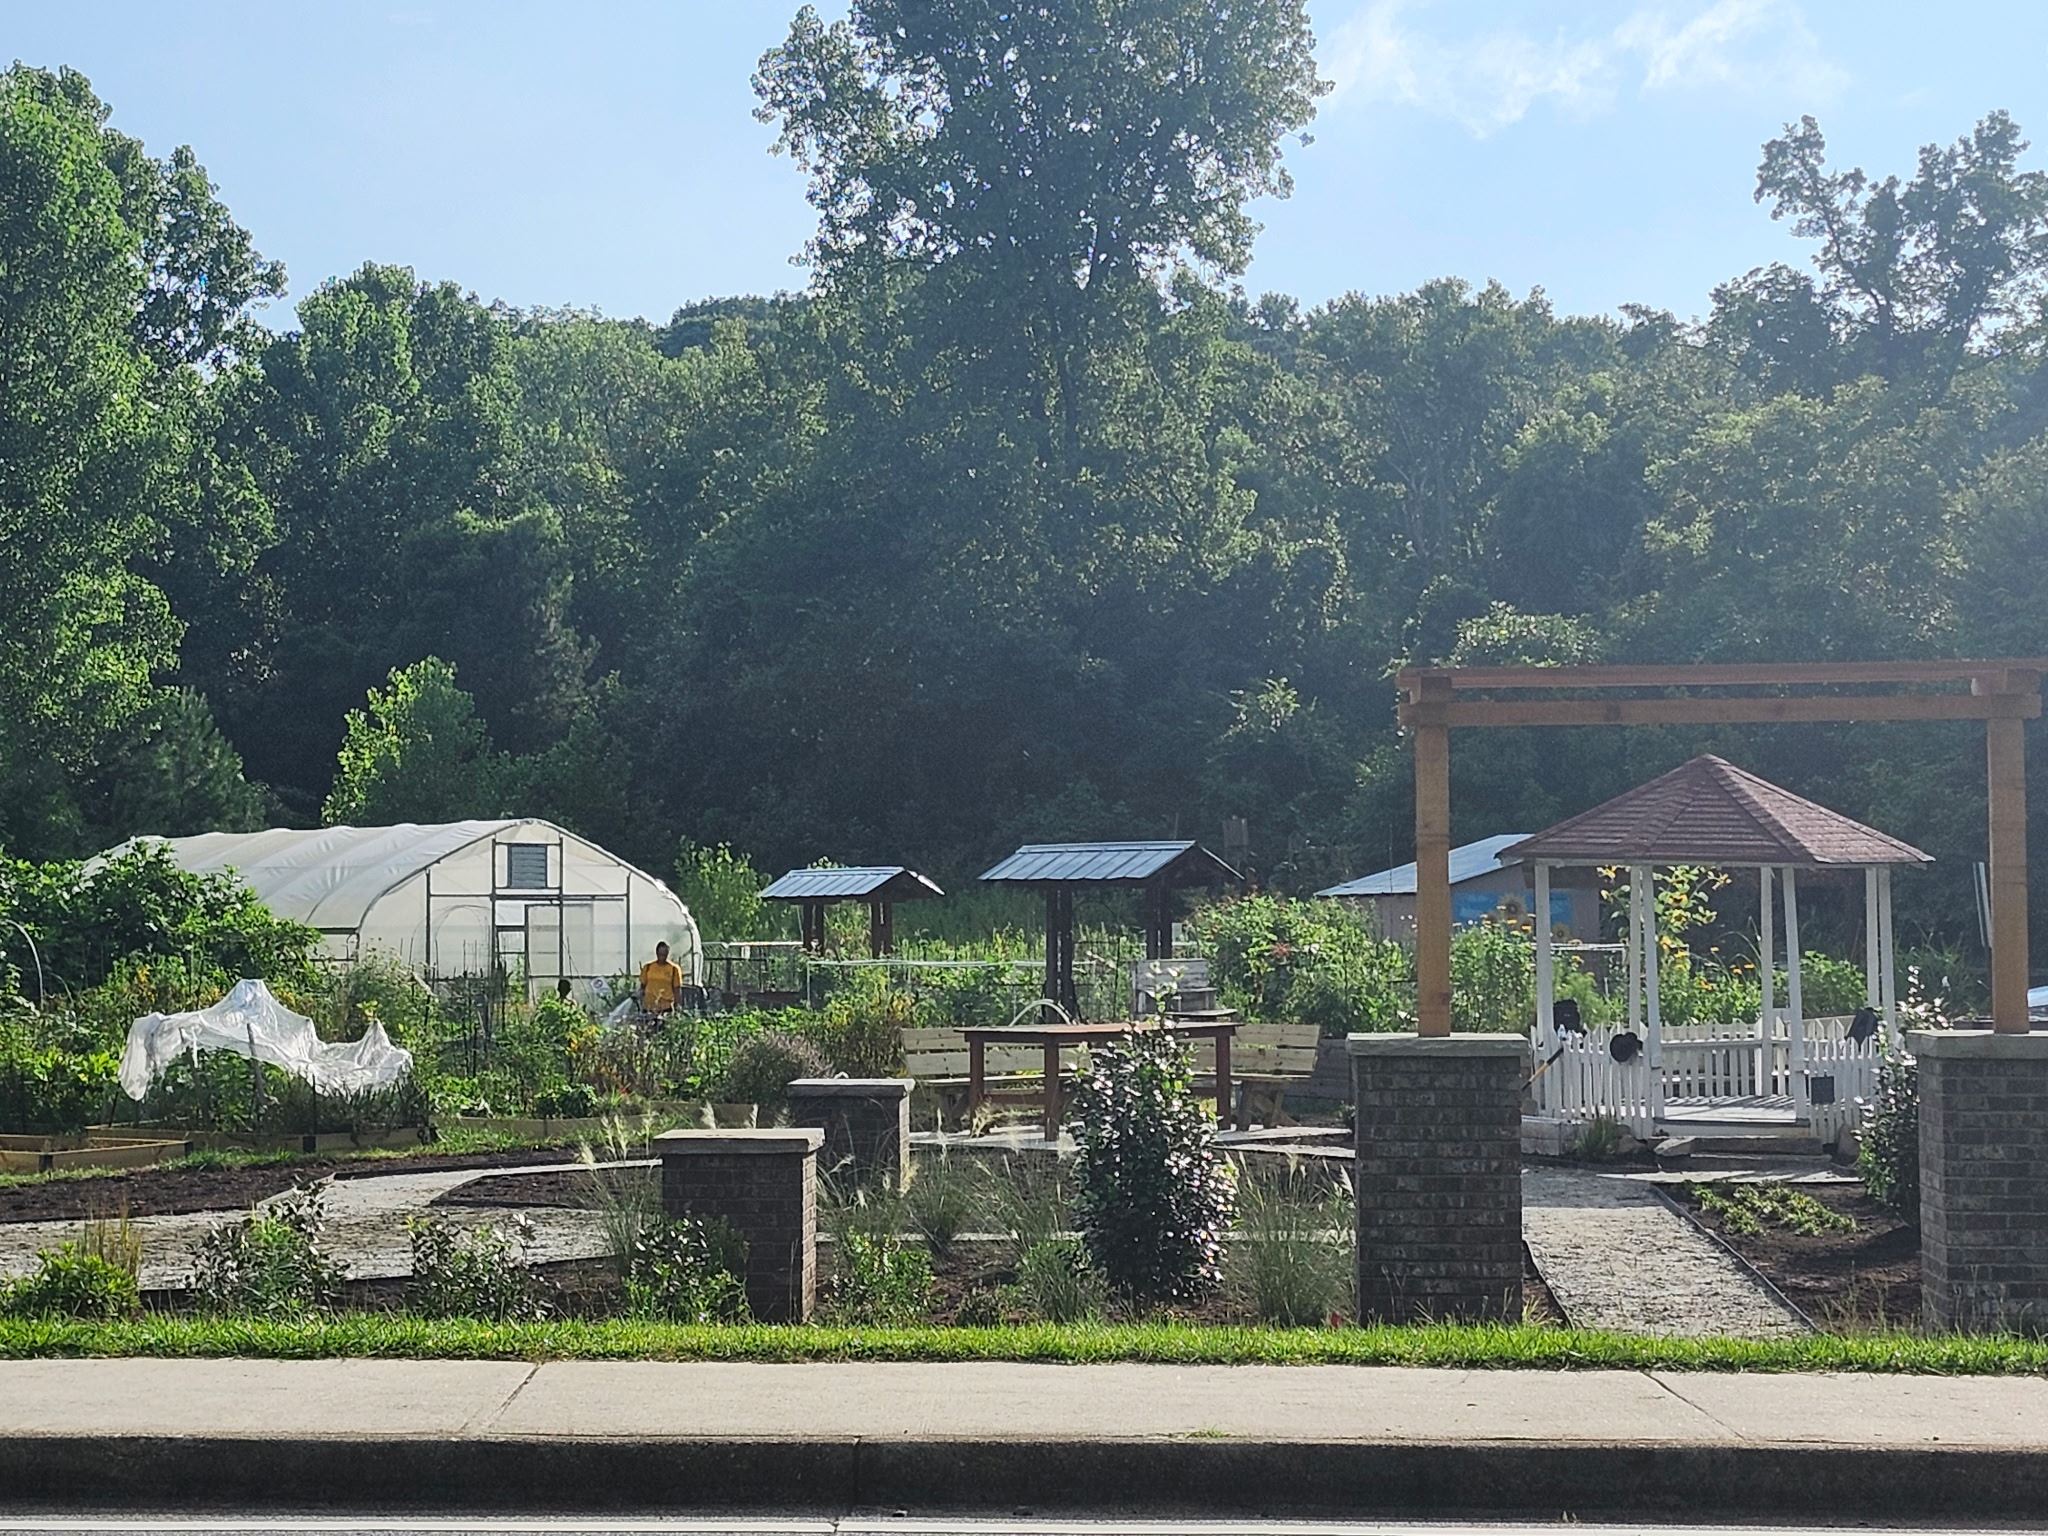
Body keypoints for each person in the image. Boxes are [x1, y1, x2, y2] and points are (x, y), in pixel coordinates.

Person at [638, 941, 685, 1015]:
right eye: (660, 954)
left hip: (666, 1007)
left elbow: (677, 989)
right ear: (656, 953)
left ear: (667, 954)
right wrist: (641, 1002)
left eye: (664, 954)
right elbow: (642, 986)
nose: (662, 957)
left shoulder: (673, 969)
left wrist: (677, 1006)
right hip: (649, 1006)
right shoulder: (648, 967)